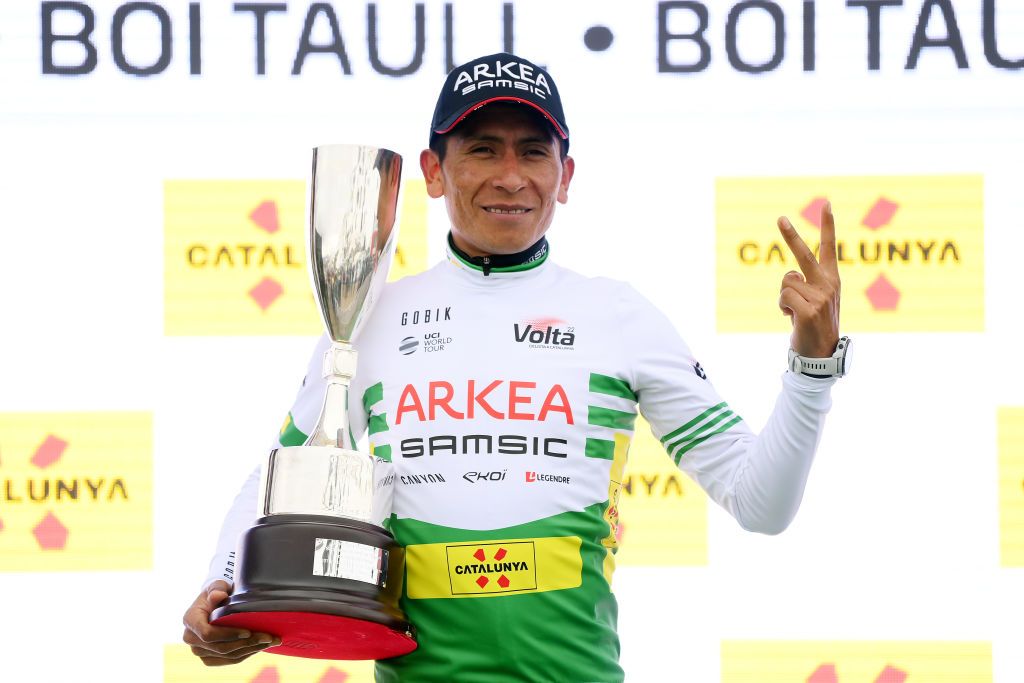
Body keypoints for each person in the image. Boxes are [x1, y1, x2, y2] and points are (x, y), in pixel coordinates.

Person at [182, 52, 846, 682]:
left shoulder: (617, 315)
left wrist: (811, 367)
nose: (510, 175)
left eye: (533, 150)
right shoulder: (369, 315)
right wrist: (223, 584)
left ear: (567, 174)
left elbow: (761, 503)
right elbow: (280, 476)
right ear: (434, 172)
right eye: (481, 149)